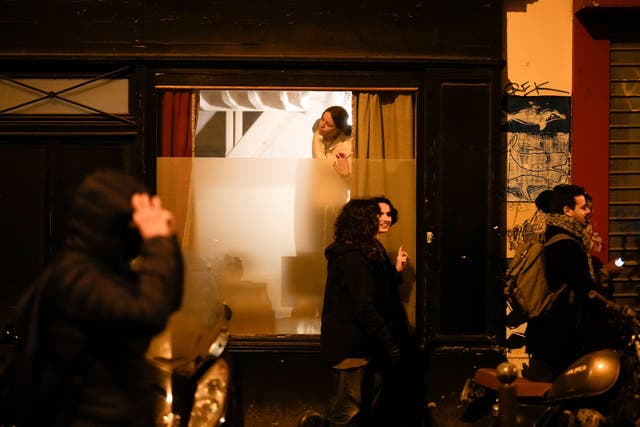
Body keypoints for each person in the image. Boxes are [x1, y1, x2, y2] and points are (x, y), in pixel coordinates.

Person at [9, 169, 183, 426]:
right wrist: (157, 241)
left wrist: (166, 242)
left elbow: (167, 300)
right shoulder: (79, 278)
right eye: (134, 227)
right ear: (112, 225)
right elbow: (149, 314)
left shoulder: (103, 271)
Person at [320, 198, 422, 427]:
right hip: (352, 347)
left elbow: (378, 292)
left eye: (386, 214)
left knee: (361, 409)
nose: (383, 219)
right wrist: (389, 343)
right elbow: (363, 305)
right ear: (362, 222)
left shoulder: (368, 251)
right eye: (375, 215)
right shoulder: (353, 257)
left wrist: (395, 271)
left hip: (364, 345)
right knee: (348, 411)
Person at [524, 184, 614, 382]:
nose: (589, 211)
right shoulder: (566, 244)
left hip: (549, 334)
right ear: (567, 210)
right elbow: (585, 290)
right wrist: (612, 312)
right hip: (557, 337)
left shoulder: (554, 236)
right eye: (583, 208)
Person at [311, 105, 354, 177]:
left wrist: (345, 175)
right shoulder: (317, 126)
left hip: (334, 184)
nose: (321, 125)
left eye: (328, 124)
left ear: (339, 129)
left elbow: (322, 165)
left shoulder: (346, 148)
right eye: (322, 119)